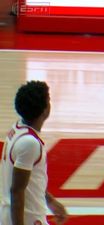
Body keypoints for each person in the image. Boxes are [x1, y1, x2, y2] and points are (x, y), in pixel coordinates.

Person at [1, 81, 68, 225]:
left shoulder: (18, 128)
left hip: (14, 215)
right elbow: (17, 191)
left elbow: (27, 181)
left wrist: (49, 201)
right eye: (48, 99)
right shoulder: (29, 143)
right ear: (45, 110)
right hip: (27, 218)